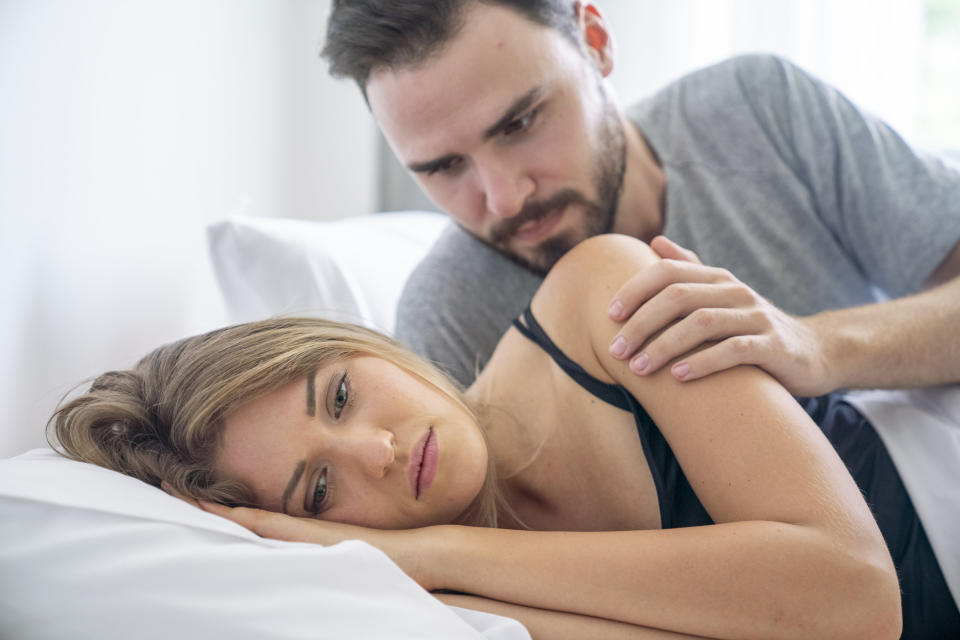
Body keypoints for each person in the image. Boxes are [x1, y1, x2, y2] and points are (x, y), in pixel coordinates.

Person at [50, 235, 959, 638]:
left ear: (361, 346)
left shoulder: (596, 297)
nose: (376, 449)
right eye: (319, 491)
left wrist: (446, 550)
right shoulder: (422, 608)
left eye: (338, 394)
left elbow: (852, 602)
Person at [322, 0, 960, 392]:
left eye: (519, 124)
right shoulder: (450, 319)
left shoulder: (761, 107)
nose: (505, 198)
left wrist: (818, 346)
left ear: (594, 41)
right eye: (443, 167)